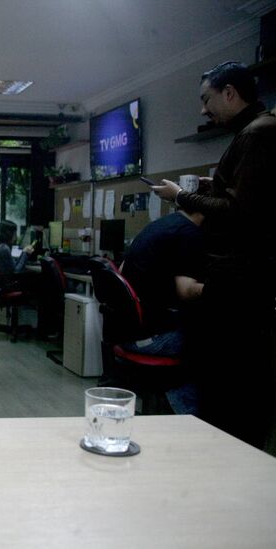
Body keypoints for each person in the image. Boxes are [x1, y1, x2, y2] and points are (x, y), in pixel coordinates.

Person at [151, 61, 276, 448]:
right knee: (221, 383)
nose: (204, 110)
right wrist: (212, 187)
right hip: (237, 279)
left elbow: (242, 214)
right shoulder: (252, 134)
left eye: (207, 100)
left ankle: (227, 463)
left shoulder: (259, 134)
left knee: (230, 389)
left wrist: (181, 196)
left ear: (229, 93)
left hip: (240, 283)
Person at [119, 203, 206, 414]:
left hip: (127, 333)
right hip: (153, 339)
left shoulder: (158, 225)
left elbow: (120, 271)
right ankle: (188, 420)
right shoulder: (189, 234)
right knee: (207, 346)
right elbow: (185, 290)